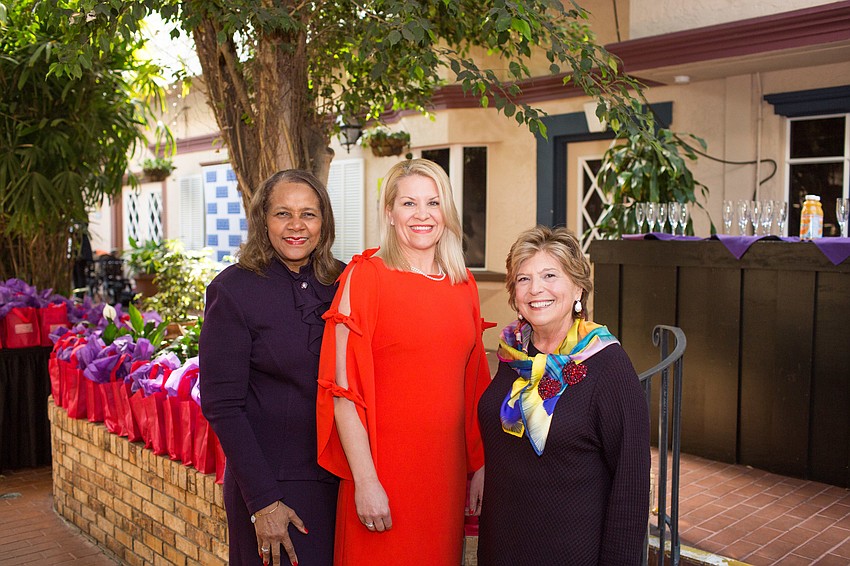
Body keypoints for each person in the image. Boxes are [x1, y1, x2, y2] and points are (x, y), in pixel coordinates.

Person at [316, 158, 491, 565]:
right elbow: (344, 394)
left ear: (446, 212)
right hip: (384, 474)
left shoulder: (462, 284)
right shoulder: (367, 276)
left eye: (433, 202)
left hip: (443, 478)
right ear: (390, 213)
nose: (422, 214)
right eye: (409, 203)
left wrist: (480, 463)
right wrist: (366, 481)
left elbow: (474, 384)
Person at [477, 225, 650, 565]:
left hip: (570, 549)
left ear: (578, 289)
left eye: (549, 275)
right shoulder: (512, 353)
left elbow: (630, 486)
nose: (535, 289)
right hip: (502, 544)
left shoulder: (608, 364)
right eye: (523, 279)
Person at [200, 170, 344, 566]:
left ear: (324, 222)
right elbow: (221, 404)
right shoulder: (233, 290)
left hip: (338, 483)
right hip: (272, 487)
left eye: (309, 214)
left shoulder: (344, 282)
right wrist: (263, 501)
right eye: (283, 213)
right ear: (263, 220)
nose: (297, 226)